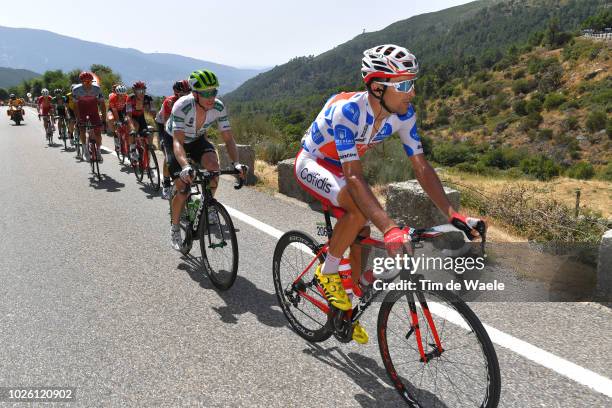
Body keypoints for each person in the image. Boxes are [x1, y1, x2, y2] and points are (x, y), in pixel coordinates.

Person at [295, 44, 484, 344]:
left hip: (345, 167)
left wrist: (453, 214)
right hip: (314, 162)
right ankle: (327, 271)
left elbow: (421, 167)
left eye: (413, 83)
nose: (412, 93)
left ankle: (347, 301)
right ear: (378, 87)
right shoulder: (348, 111)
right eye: (405, 85)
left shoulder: (403, 113)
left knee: (362, 230)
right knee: (358, 211)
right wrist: (390, 229)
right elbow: (354, 177)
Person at [166, 69, 247, 251]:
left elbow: (228, 138)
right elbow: (178, 141)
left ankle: (208, 203)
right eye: (206, 93)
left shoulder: (218, 107)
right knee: (182, 188)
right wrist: (185, 166)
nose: (211, 97)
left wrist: (236, 163)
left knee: (213, 167)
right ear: (195, 94)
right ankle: (175, 227)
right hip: (175, 139)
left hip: (197, 139)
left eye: (214, 92)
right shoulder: (182, 106)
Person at [155, 79, 190, 199]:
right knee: (168, 154)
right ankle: (165, 183)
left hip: (178, 126)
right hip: (164, 124)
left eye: (187, 93)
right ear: (176, 93)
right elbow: (167, 123)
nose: (185, 96)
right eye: (182, 94)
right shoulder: (169, 102)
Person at [72, 71, 106, 162]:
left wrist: (104, 119)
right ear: (81, 82)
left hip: (93, 112)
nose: (87, 83)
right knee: (82, 129)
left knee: (98, 133)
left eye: (89, 81)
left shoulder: (97, 89)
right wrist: (77, 118)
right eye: (84, 82)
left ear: (92, 81)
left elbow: (102, 105)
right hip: (82, 111)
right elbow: (75, 106)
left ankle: (98, 151)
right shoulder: (76, 90)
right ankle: (85, 150)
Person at [126, 81, 156, 162]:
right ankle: (132, 149)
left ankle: (146, 153)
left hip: (141, 117)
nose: (141, 93)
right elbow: (128, 115)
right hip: (132, 117)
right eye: (139, 91)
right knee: (135, 127)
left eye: (143, 90)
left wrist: (150, 108)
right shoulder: (130, 98)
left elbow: (153, 113)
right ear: (134, 91)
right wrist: (132, 128)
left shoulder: (148, 98)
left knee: (147, 133)